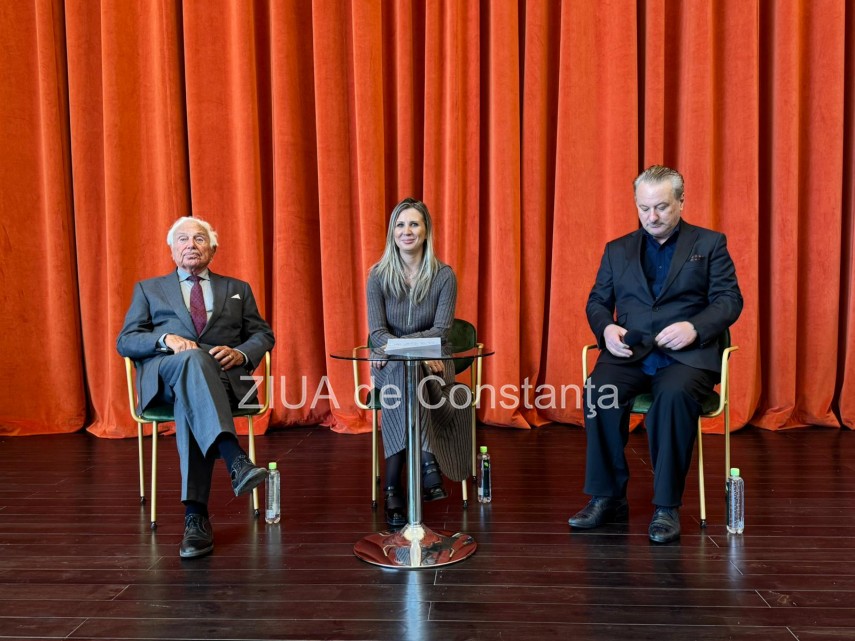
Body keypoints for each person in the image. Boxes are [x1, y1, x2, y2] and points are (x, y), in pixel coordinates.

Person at [569, 165, 743, 543]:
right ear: (636, 204)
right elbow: (598, 301)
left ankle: (666, 507)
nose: (652, 217)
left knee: (673, 398)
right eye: (644, 208)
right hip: (629, 352)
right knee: (599, 391)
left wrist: (694, 327)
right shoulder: (617, 250)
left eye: (662, 207)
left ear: (681, 201)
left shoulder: (709, 244)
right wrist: (606, 328)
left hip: (686, 357)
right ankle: (607, 497)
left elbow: (730, 300)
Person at [117, 216, 275, 559]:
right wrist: (165, 339)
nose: (191, 244)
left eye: (200, 239)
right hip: (165, 380)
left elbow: (263, 335)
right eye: (183, 239)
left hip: (224, 382)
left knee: (192, 397)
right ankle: (234, 459)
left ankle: (196, 518)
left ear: (213, 249)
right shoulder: (149, 289)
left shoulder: (238, 287)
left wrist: (241, 352)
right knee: (190, 363)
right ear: (173, 249)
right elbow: (126, 341)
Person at [367, 198, 472, 527]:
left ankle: (392, 488)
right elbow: (377, 333)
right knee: (404, 371)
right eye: (400, 225)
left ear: (426, 231)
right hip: (394, 368)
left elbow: (442, 332)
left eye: (413, 224)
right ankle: (429, 466)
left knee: (407, 371)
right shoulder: (378, 276)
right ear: (391, 233)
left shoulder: (444, 276)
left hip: (435, 364)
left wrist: (403, 348)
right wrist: (412, 348)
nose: (406, 231)